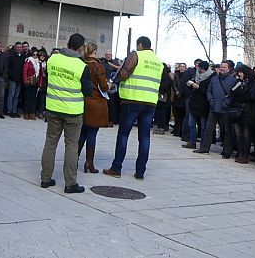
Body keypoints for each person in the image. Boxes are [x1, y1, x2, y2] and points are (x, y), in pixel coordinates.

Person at [103, 36, 164, 180]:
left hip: (132, 99)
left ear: (140, 45)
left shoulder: (135, 55)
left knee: (123, 134)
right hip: (150, 102)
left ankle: (116, 168)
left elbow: (124, 73)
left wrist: (113, 80)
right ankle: (140, 172)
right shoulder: (158, 62)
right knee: (144, 137)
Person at [40, 33, 92, 193]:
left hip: (53, 108)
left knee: (50, 143)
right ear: (81, 48)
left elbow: (47, 80)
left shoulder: (53, 59)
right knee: (71, 145)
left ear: (68, 43)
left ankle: (45, 179)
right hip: (72, 112)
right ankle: (70, 183)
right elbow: (88, 91)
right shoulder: (82, 66)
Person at [77, 43, 109, 174]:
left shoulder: (81, 64)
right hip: (96, 103)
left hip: (83, 102)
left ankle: (74, 158)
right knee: (92, 134)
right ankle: (89, 162)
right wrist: (109, 85)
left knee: (82, 132)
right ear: (94, 52)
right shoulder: (98, 66)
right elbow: (103, 86)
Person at [196, 60, 238, 156]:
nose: (222, 69)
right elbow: (209, 91)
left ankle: (227, 151)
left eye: (224, 67)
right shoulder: (214, 79)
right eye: (221, 67)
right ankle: (205, 148)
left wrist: (227, 103)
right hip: (214, 107)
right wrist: (211, 100)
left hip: (225, 109)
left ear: (228, 69)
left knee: (226, 131)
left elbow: (233, 94)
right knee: (209, 128)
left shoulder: (232, 80)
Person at [227, 65, 255, 164]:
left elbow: (251, 96)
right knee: (238, 134)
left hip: (247, 112)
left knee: (246, 135)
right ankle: (240, 153)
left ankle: (245, 155)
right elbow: (232, 92)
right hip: (237, 111)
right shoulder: (238, 82)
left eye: (241, 72)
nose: (239, 74)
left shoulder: (252, 84)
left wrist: (240, 94)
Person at [183, 60, 213, 150]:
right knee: (191, 123)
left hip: (203, 104)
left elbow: (207, 91)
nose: (200, 71)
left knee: (203, 126)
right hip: (194, 103)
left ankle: (203, 145)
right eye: (199, 68)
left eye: (202, 69)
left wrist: (198, 87)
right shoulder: (195, 75)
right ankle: (192, 141)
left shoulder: (211, 77)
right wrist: (190, 84)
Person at [6, 42, 25, 118]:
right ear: (15, 48)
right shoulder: (10, 56)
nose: (19, 49)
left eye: (20, 47)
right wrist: (12, 75)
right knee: (11, 95)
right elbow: (8, 67)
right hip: (12, 79)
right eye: (18, 47)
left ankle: (14, 111)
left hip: (20, 80)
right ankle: (9, 110)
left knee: (16, 96)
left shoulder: (24, 56)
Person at [22, 47, 40, 120]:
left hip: (35, 81)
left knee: (33, 98)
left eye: (36, 54)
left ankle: (31, 113)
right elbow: (25, 71)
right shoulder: (28, 60)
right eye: (34, 54)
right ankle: (26, 113)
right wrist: (25, 80)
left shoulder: (38, 62)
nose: (35, 56)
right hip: (29, 81)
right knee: (27, 98)